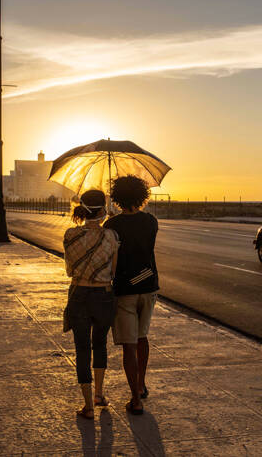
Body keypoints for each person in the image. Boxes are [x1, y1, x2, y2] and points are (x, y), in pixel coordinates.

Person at [103, 176, 159, 415]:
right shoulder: (151, 221)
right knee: (142, 337)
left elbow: (109, 258)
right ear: (142, 196)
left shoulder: (111, 225)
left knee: (129, 343)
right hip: (148, 284)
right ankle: (142, 383)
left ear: (117, 198)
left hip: (125, 288)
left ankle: (135, 399)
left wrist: (110, 220)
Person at [63, 189, 119, 420]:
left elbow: (68, 269)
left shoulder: (70, 235)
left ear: (83, 210)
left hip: (78, 295)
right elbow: (113, 271)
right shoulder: (111, 237)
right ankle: (99, 394)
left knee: (82, 349)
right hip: (103, 296)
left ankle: (87, 406)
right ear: (104, 210)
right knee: (100, 345)